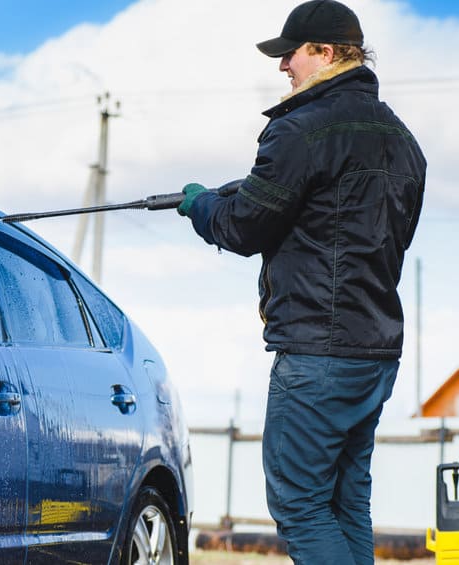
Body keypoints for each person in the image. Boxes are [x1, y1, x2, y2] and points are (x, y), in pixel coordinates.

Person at [176, 1, 426, 563]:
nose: (282, 66)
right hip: (377, 349)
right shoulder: (404, 140)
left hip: (318, 351)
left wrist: (199, 206)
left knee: (299, 506)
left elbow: (243, 228)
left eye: (291, 54)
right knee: (346, 505)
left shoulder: (299, 130)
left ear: (328, 53)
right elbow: (374, 229)